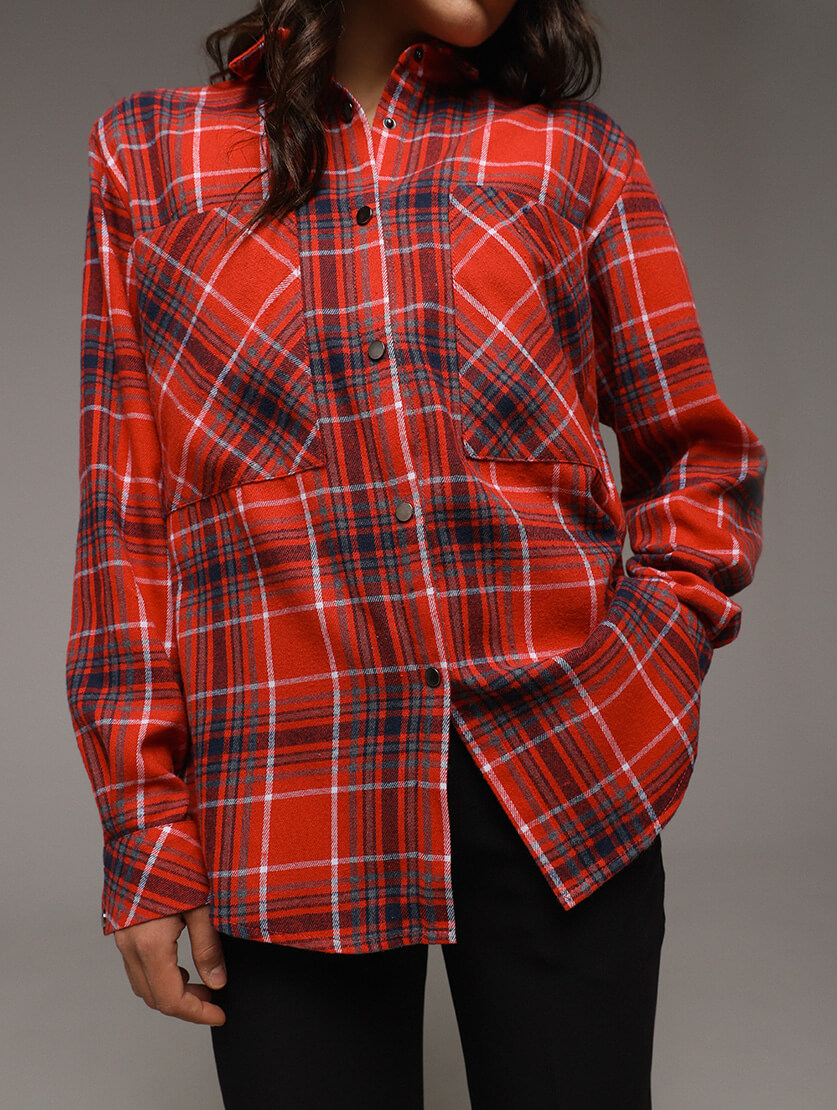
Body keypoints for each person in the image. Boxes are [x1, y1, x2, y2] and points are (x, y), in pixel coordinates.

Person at [65, 1, 767, 1106]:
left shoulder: (576, 158)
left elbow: (698, 460)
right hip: (284, 801)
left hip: (568, 780)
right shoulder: (152, 155)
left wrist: (646, 675)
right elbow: (126, 520)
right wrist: (145, 832)